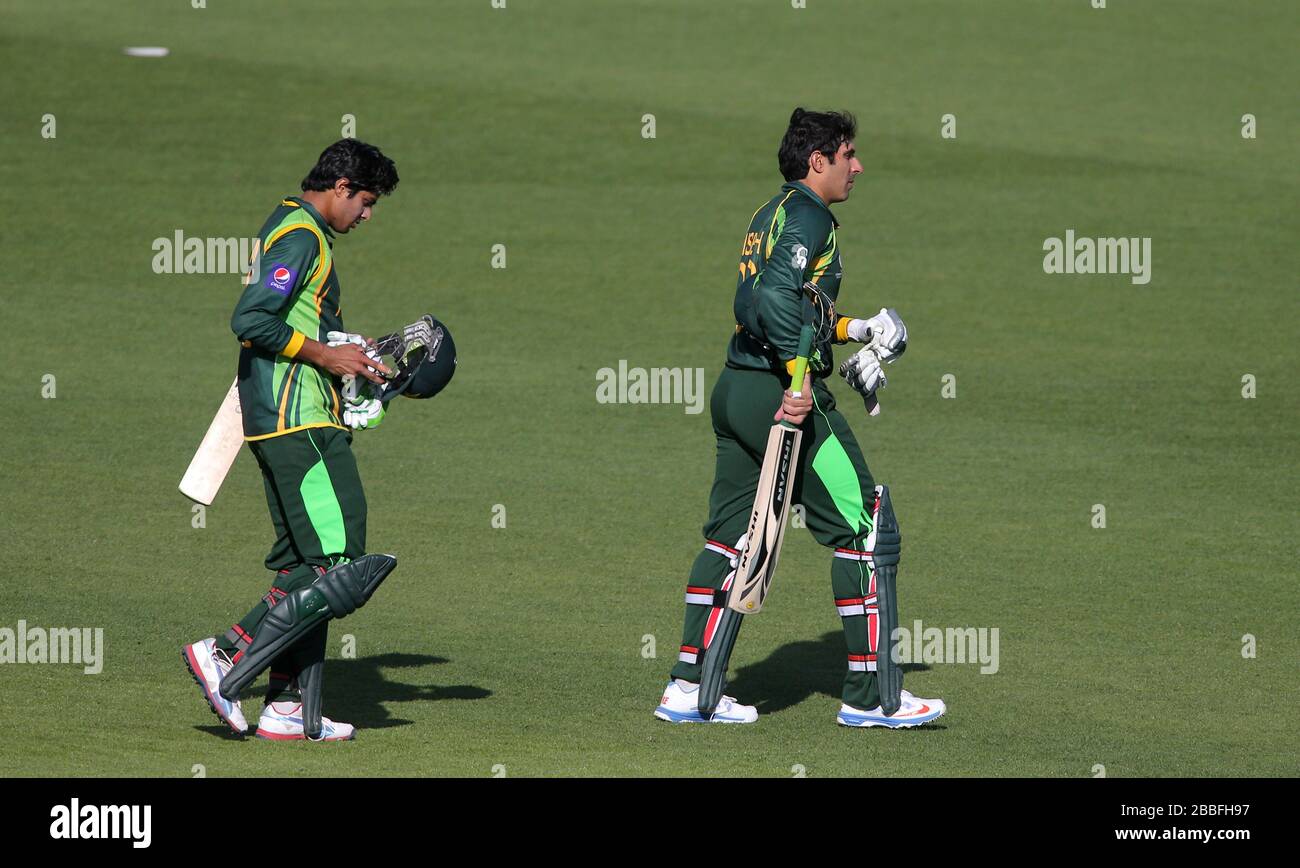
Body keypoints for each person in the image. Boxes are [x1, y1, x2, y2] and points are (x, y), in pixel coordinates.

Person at [653, 108, 946, 727]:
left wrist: (857, 328)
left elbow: (788, 305)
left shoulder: (772, 213)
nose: (858, 165)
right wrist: (798, 379)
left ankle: (687, 686)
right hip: (779, 396)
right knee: (866, 529)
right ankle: (875, 699)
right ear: (820, 160)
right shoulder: (811, 217)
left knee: (730, 534)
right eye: (849, 154)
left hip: (736, 389)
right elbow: (773, 299)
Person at [183, 139, 400, 741]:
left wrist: (347, 358)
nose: (367, 214)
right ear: (339, 186)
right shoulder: (303, 236)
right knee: (341, 562)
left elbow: (298, 321)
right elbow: (251, 319)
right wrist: (329, 355)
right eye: (365, 200)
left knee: (307, 566)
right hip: (296, 421)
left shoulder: (295, 228)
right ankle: (225, 655)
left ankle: (283, 705)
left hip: (288, 416)